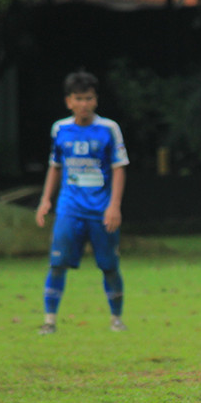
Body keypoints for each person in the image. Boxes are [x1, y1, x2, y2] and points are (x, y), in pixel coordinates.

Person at [35, 71, 129, 335]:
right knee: (57, 263)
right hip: (69, 209)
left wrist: (114, 205)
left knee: (109, 265)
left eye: (89, 98)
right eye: (79, 99)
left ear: (96, 100)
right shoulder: (60, 129)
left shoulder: (109, 129)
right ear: (69, 102)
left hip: (101, 211)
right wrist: (45, 200)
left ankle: (116, 319)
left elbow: (119, 168)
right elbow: (55, 166)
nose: (84, 104)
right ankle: (50, 320)